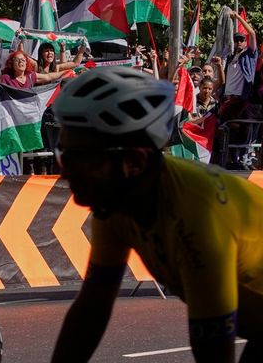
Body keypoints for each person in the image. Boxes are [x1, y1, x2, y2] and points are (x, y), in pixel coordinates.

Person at [49, 67, 263, 363]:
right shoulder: (116, 203)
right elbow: (92, 306)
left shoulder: (196, 216)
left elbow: (212, 348)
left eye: (80, 158)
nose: (64, 173)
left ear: (134, 162)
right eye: (63, 154)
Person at [220, 12, 258, 121]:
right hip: (226, 96)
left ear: (246, 42)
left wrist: (237, 17)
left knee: (221, 118)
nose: (239, 42)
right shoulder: (230, 57)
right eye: (236, 40)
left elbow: (252, 34)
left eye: (242, 40)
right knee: (229, 125)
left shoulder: (249, 55)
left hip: (240, 97)